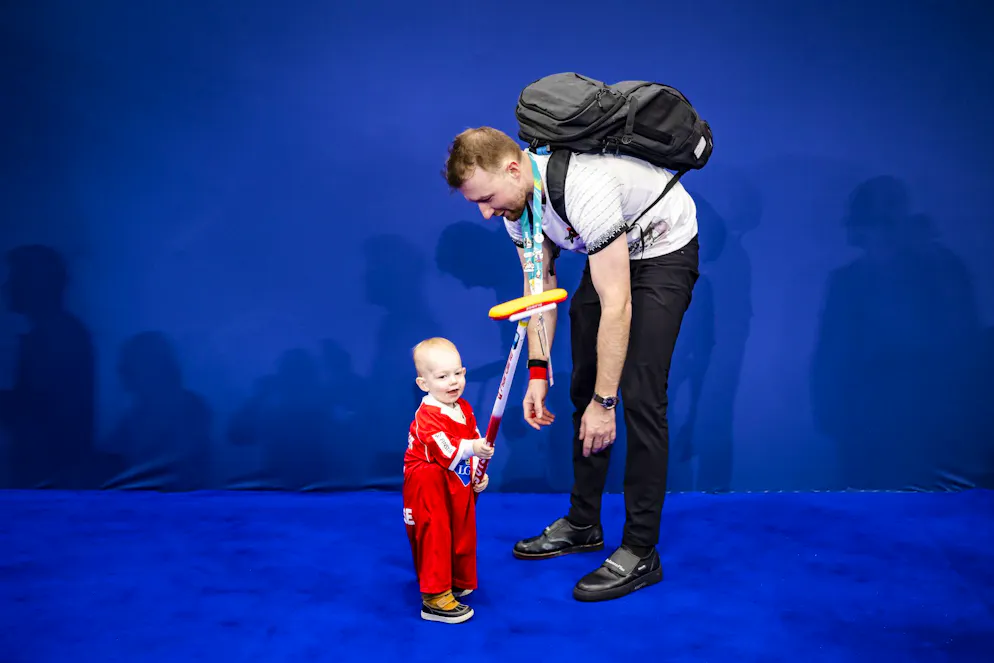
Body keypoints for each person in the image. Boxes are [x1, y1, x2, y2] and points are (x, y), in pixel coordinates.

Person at [442, 127, 700, 602]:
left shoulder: (585, 187)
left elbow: (618, 304)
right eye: (476, 203)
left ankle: (641, 550)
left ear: (513, 168)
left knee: (640, 393)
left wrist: (608, 401)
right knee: (583, 383)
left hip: (662, 250)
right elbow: (539, 290)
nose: (485, 211)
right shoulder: (516, 207)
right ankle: (584, 522)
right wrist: (538, 371)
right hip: (614, 253)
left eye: (488, 197)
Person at [403, 336, 495, 623]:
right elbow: (449, 448)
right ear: (424, 383)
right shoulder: (427, 416)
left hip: (455, 476)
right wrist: (473, 450)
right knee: (436, 532)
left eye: (457, 373)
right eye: (442, 376)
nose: (452, 381)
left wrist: (480, 469)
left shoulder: (463, 407)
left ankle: (456, 576)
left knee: (461, 527)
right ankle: (434, 596)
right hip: (427, 480)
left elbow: (475, 438)